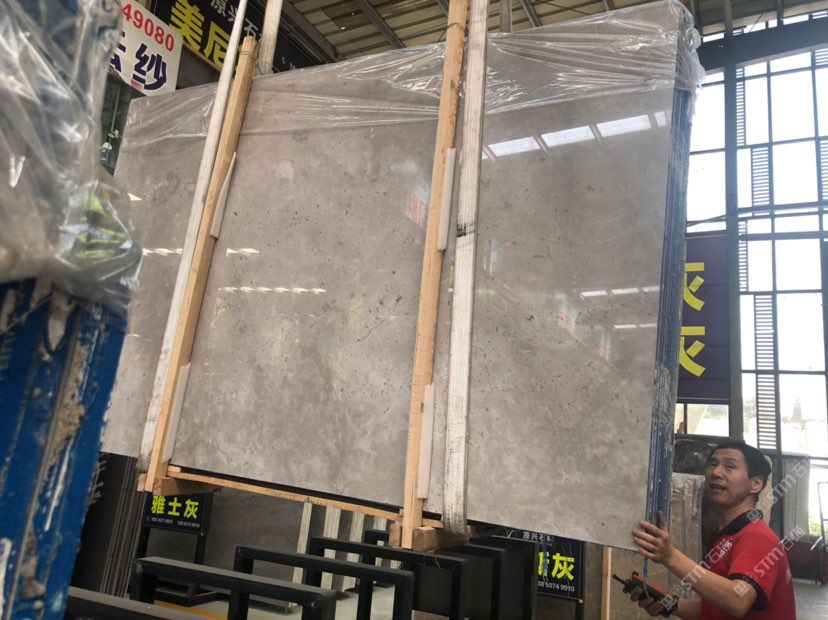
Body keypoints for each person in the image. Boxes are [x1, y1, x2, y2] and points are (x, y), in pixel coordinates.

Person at [627, 439, 796, 619]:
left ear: (756, 484)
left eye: (729, 466)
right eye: (713, 464)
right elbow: (716, 611)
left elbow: (738, 600)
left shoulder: (757, 537)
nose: (716, 472)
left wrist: (670, 556)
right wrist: (670, 604)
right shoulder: (725, 536)